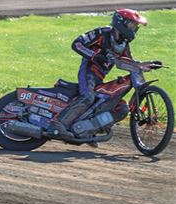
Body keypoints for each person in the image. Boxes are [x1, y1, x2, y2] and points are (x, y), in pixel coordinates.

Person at [48, 9, 148, 141]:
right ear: (121, 23)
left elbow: (125, 62)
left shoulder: (123, 44)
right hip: (89, 71)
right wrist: (95, 56)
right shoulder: (102, 33)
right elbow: (77, 44)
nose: (134, 29)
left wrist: (143, 65)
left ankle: (88, 130)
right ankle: (57, 124)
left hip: (100, 78)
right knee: (88, 97)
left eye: (135, 26)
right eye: (132, 25)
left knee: (122, 108)